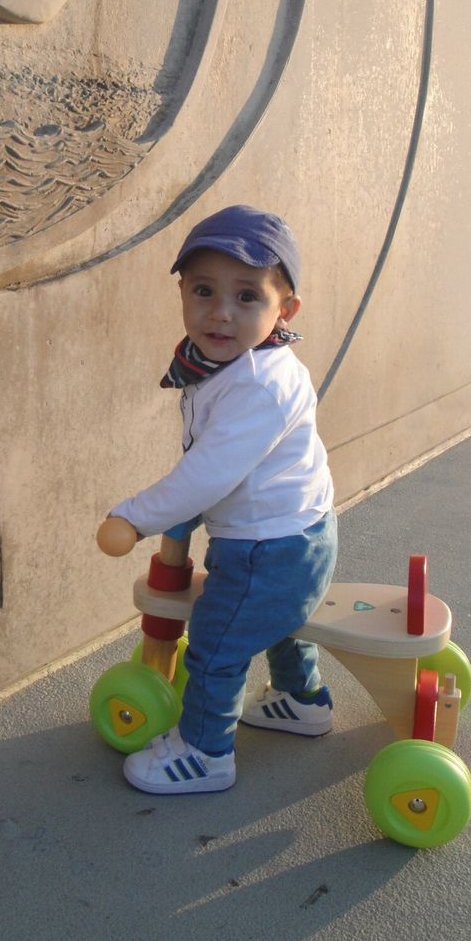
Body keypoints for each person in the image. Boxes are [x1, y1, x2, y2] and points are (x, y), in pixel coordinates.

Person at [108, 204, 337, 794]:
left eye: (247, 297)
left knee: (215, 644)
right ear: (181, 292)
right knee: (276, 623)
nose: (221, 313)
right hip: (290, 532)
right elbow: (210, 461)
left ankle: (206, 753)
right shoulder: (223, 365)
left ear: (285, 310)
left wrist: (134, 516)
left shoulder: (260, 382)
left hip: (272, 546)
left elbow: (208, 473)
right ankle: (301, 698)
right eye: (204, 291)